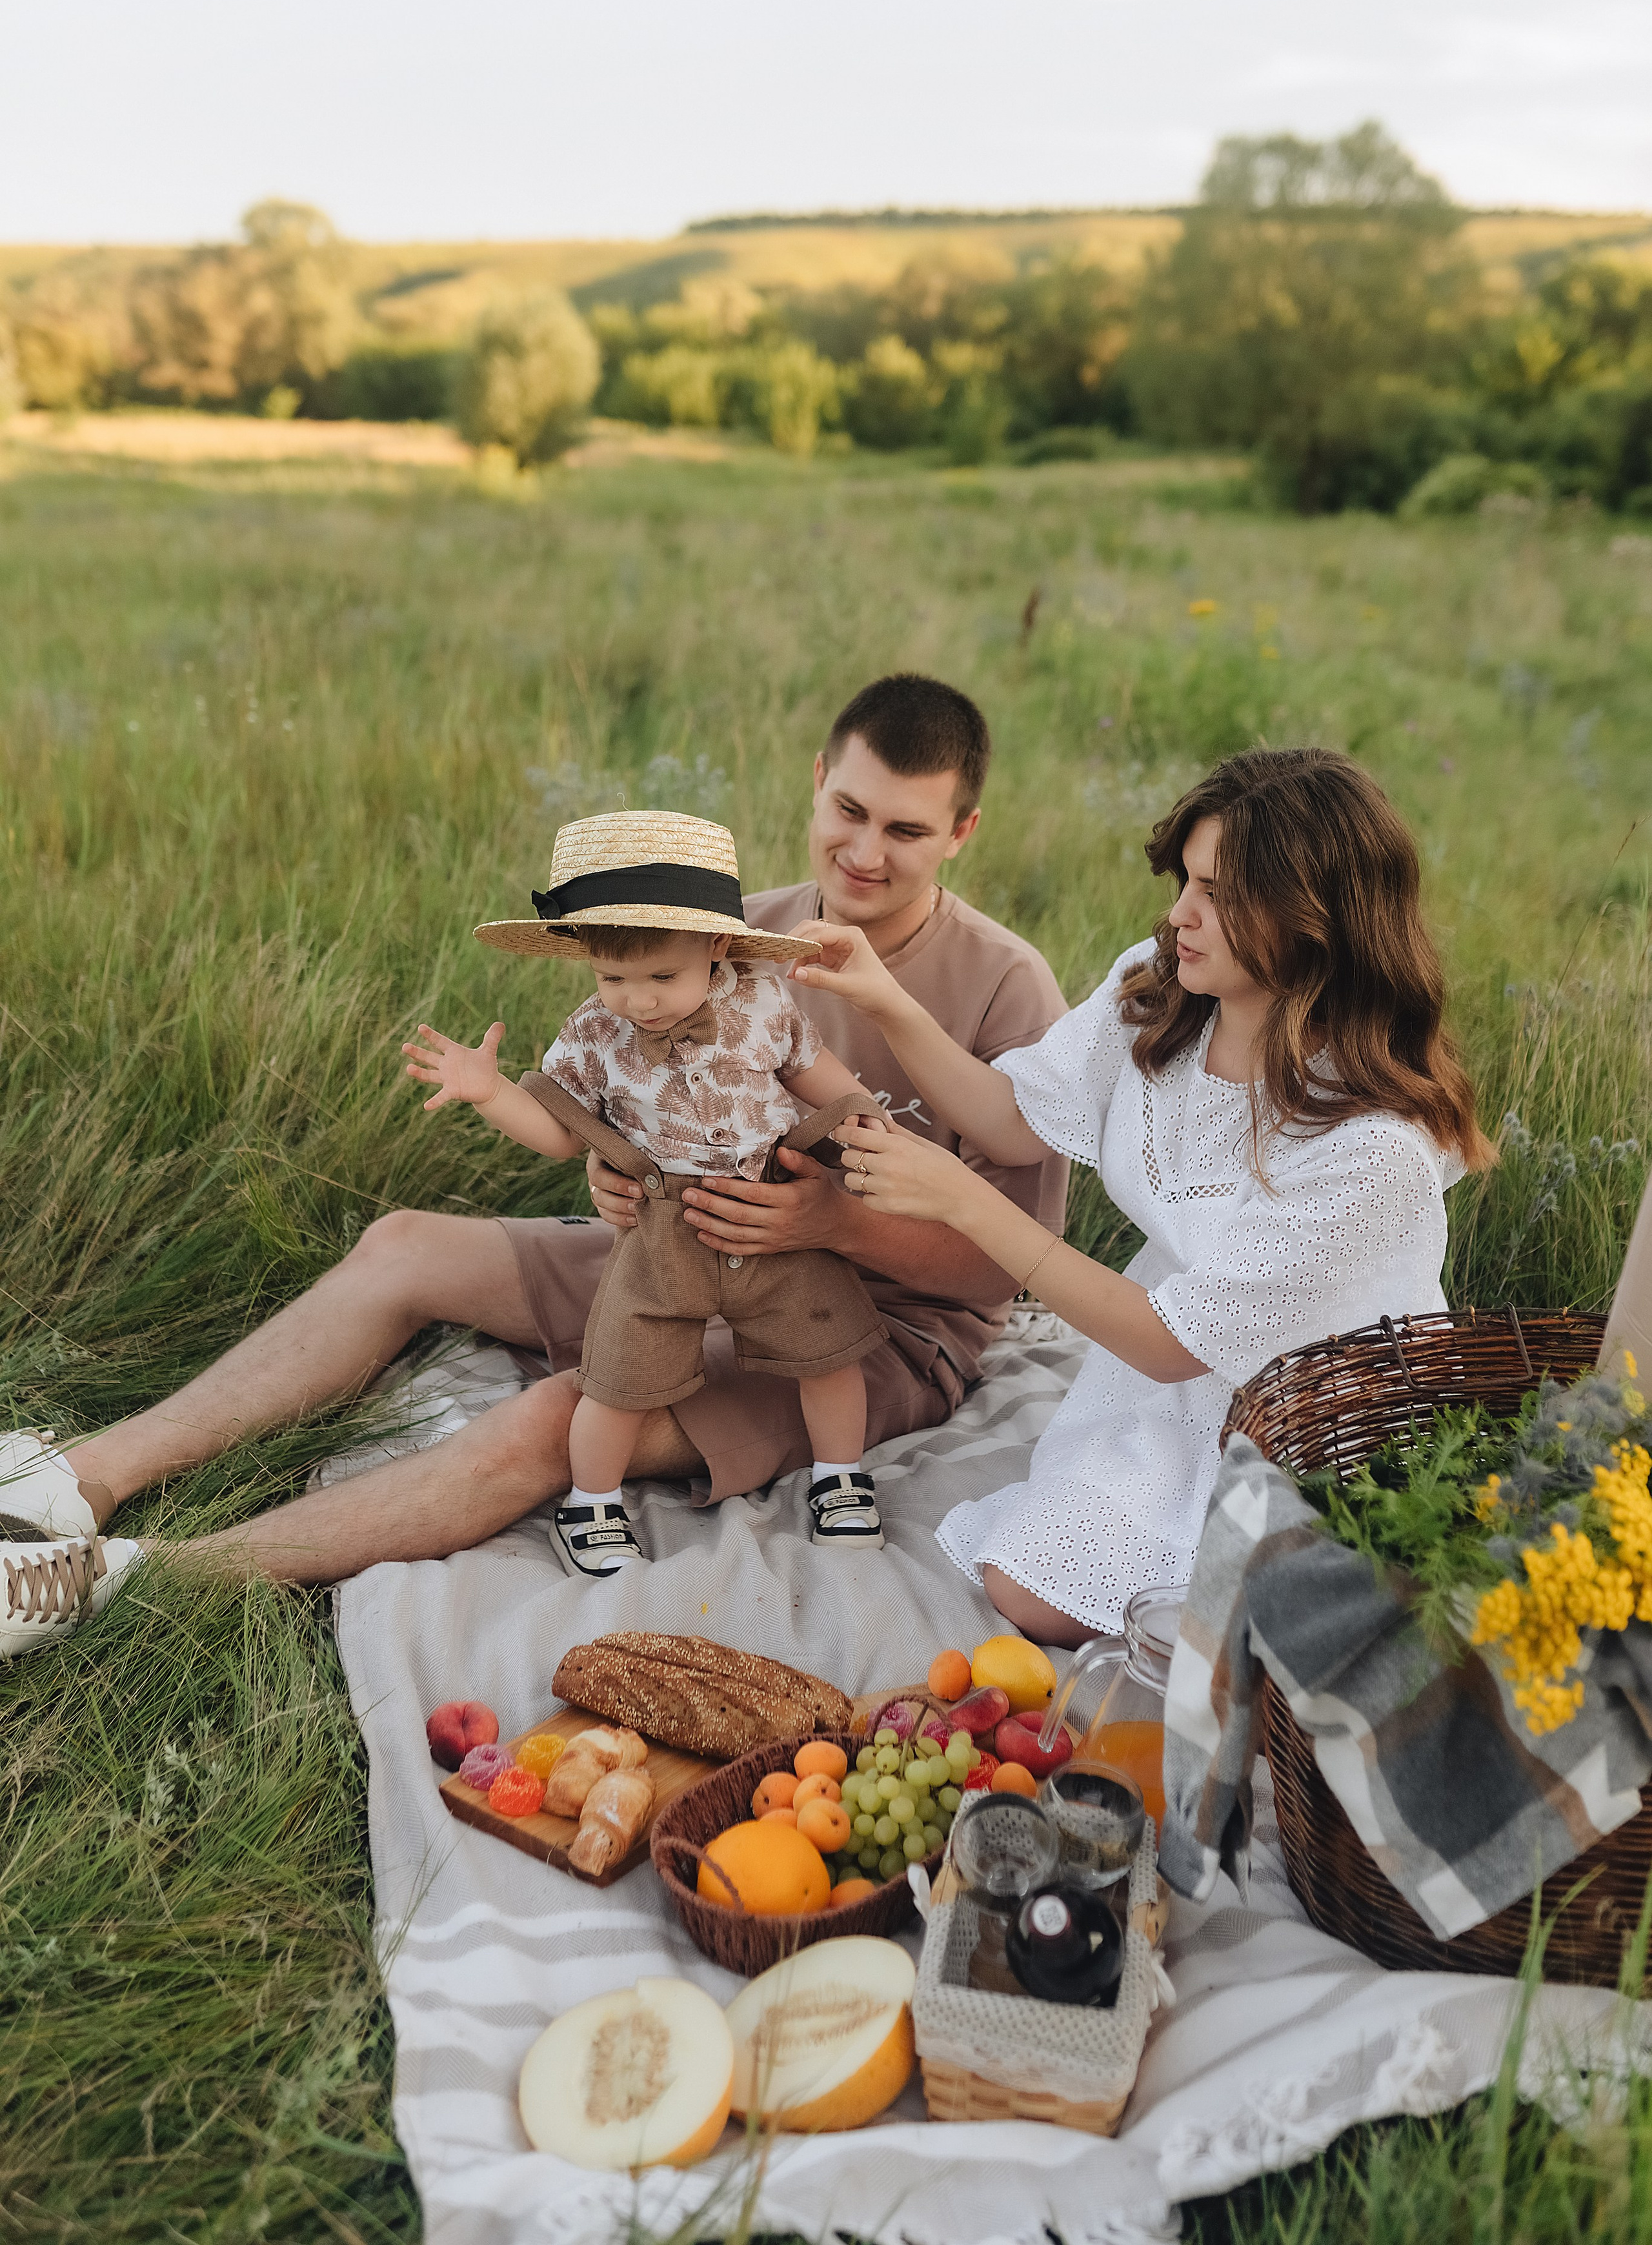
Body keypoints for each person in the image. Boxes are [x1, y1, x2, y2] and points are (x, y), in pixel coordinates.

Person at [0, 674, 1069, 1655]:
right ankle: (83, 1479)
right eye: (851, 810)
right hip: (682, 1247)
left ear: (962, 833)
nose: (866, 850)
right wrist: (610, 1178)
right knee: (403, 1242)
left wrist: (827, 1223)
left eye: (907, 828)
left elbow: (997, 1275)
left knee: (554, 1418)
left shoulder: (1008, 987)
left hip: (876, 1321)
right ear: (818, 781)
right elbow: (626, 1104)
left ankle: (137, 1579)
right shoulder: (724, 930)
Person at [797, 746, 1496, 1645]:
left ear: (1312, 919)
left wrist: (965, 1203)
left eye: (1216, 893)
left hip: (1314, 1409)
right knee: (1031, 1581)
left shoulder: (1372, 1149)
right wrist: (882, 995)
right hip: (1167, 1361)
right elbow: (1011, 1118)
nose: (1180, 915)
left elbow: (1173, 1342)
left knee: (1070, 1598)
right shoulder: (1167, 990)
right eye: (1185, 880)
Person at [405, 807, 894, 1573]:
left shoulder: (763, 1002)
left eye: (662, 976)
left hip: (773, 1215)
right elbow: (558, 1130)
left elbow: (817, 1077)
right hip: (663, 1225)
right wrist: (489, 1090)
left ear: (717, 945)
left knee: (826, 1350)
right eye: (614, 978)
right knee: (619, 1374)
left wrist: (864, 1119)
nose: (639, 1000)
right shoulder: (594, 1035)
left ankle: (840, 1476)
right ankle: (591, 1500)